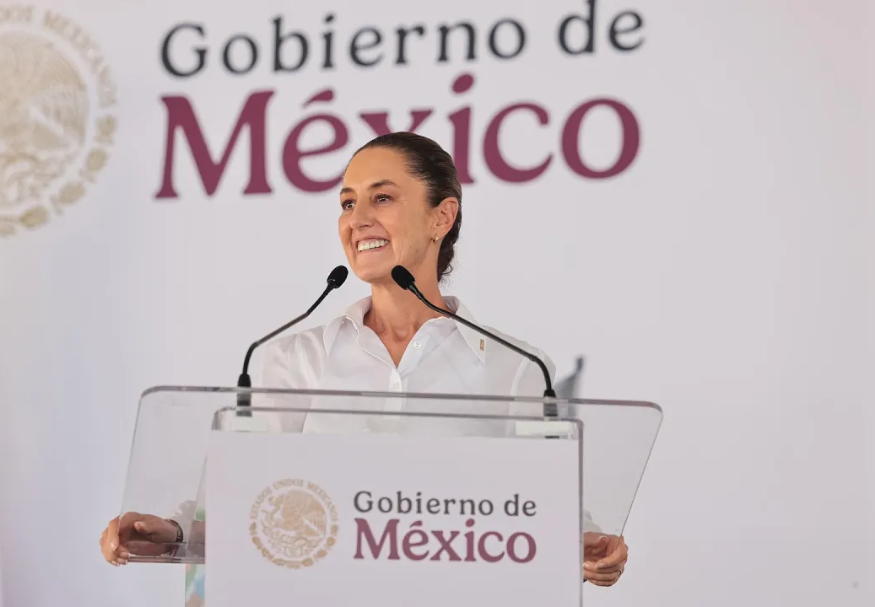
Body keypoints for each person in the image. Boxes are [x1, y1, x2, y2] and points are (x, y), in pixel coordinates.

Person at [99, 132, 629, 588]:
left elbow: (543, 506)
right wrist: (172, 536)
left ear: (442, 216)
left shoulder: (516, 367)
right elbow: (241, 503)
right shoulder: (291, 359)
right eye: (348, 203)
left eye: (383, 199)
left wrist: (584, 547)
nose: (358, 220)